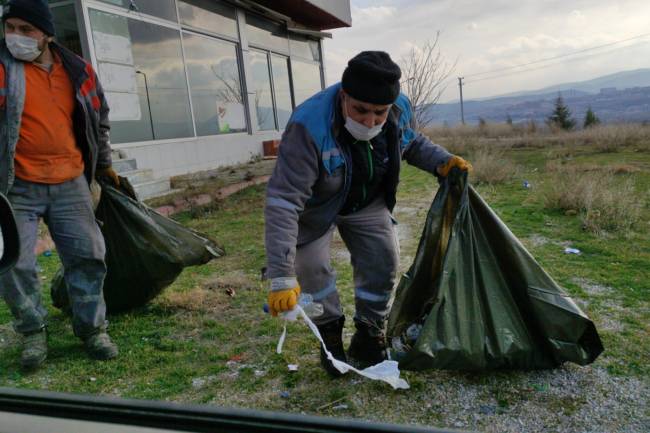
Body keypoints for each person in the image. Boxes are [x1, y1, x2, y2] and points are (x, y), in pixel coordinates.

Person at [264, 51, 470, 376]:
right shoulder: (308, 125)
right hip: (314, 209)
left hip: (366, 201)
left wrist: (441, 161)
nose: (370, 121)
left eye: (380, 113)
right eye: (360, 110)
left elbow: (410, 142)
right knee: (311, 269)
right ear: (344, 95)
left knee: (384, 259)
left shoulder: (400, 107)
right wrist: (280, 275)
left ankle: (369, 333)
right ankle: (330, 339)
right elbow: (284, 201)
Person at [0, 0, 120, 369]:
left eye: (26, 29)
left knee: (87, 256)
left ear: (47, 34)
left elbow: (99, 118)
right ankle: (33, 332)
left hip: (71, 182)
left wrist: (103, 166)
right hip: (15, 185)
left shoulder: (78, 70)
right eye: (10, 27)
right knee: (13, 264)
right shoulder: (2, 69)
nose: (14, 36)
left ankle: (92, 329)